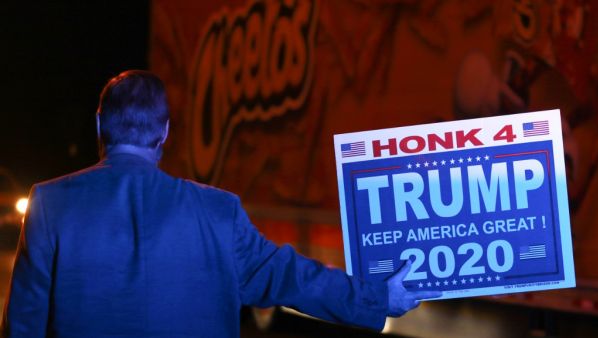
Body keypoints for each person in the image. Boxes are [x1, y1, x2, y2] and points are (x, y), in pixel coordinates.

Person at [1, 70, 440, 338]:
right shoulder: (217, 213)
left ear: (99, 123)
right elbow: (293, 278)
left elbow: (23, 327)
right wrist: (378, 296)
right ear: (165, 132)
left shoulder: (50, 204)